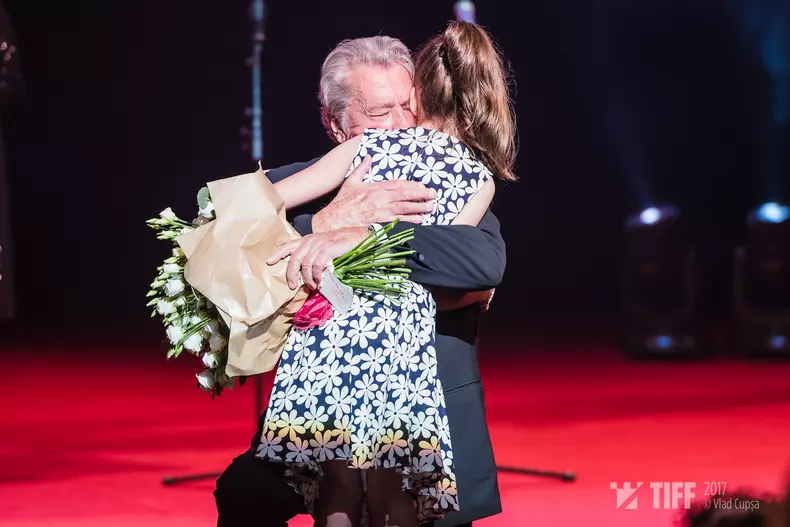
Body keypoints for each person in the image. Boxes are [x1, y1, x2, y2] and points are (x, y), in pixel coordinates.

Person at [214, 32, 506, 527]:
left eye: (405, 107)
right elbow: (212, 225)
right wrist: (323, 225)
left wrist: (366, 234)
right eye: (377, 114)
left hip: (426, 410)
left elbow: (483, 266)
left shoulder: (448, 181)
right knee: (247, 496)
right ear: (335, 123)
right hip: (328, 394)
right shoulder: (325, 173)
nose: (396, 127)